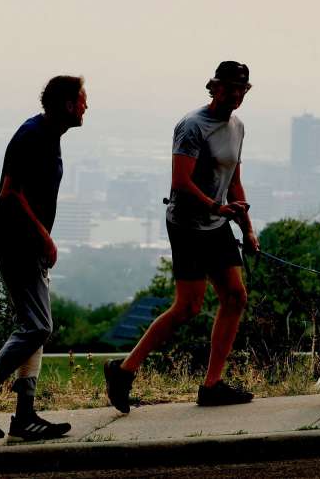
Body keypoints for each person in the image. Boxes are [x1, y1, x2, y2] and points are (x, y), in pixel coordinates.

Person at [104, 61, 260, 412]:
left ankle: (212, 385)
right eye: (230, 88)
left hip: (216, 222)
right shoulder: (192, 126)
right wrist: (215, 207)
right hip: (188, 225)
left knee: (235, 297)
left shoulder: (237, 127)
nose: (236, 95)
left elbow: (234, 181)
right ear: (214, 88)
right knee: (188, 306)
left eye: (242, 89)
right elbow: (181, 182)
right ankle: (123, 371)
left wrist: (247, 227)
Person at [0, 75, 88, 441]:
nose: (86, 107)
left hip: (30, 247)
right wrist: (43, 237)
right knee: (37, 327)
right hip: (17, 246)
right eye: (82, 100)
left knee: (36, 330)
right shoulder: (32, 135)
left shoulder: (49, 135)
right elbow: (10, 193)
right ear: (67, 104)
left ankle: (24, 418)